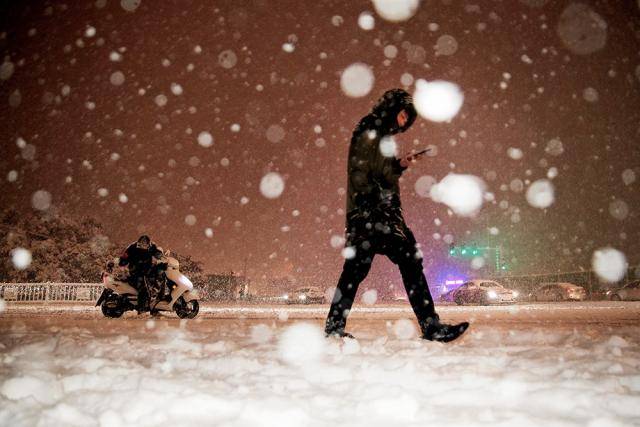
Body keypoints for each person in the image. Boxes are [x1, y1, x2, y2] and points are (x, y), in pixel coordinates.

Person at [325, 89, 469, 342]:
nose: (403, 123)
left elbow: (378, 171)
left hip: (373, 213)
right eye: (402, 115)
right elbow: (364, 170)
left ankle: (334, 327)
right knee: (407, 261)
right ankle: (431, 326)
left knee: (357, 269)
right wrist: (377, 195)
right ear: (391, 109)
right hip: (375, 212)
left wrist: (400, 164)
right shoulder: (371, 129)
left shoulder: (377, 133)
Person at [118, 235, 165, 313]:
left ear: (148, 243)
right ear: (139, 242)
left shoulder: (151, 246)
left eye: (145, 243)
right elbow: (124, 257)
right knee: (144, 289)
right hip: (136, 273)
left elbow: (157, 253)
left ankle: (155, 308)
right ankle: (141, 310)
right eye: (142, 243)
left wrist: (160, 256)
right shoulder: (132, 247)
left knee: (159, 282)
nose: (144, 245)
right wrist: (123, 261)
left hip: (148, 272)